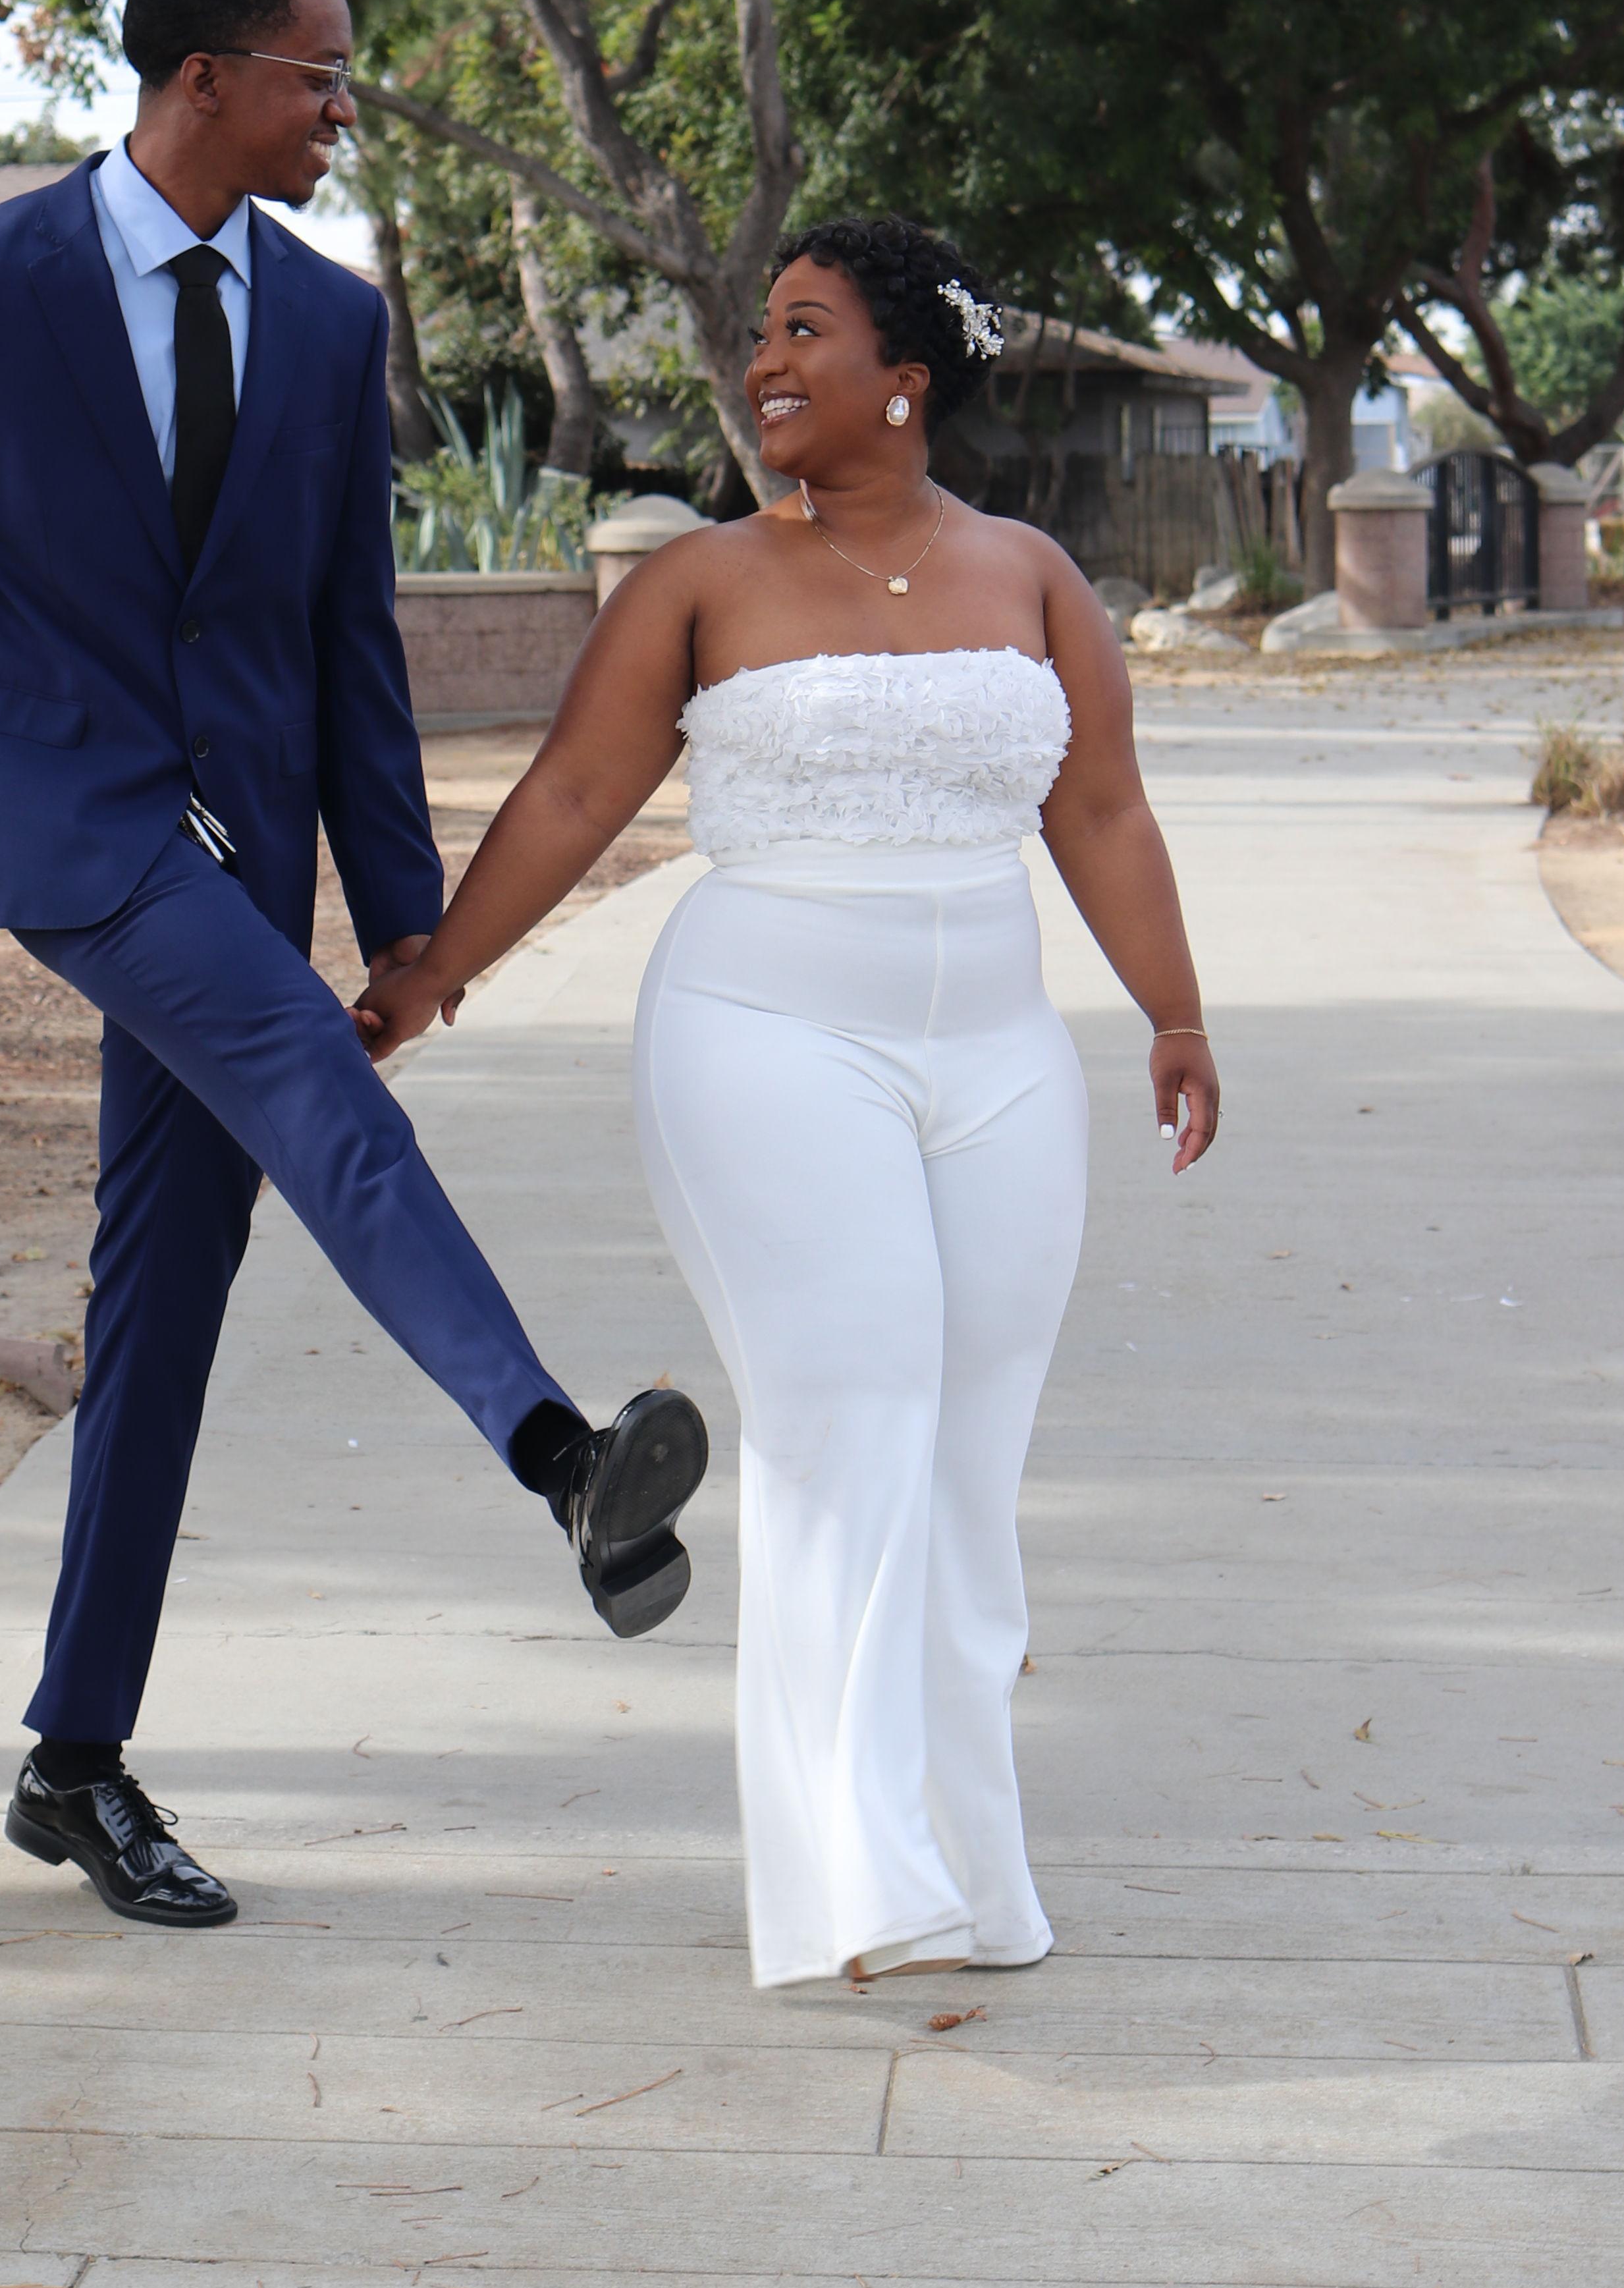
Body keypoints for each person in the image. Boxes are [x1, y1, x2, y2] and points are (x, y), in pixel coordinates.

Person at [0, 0, 708, 1931]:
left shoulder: (332, 324)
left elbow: (350, 643)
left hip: (242, 835)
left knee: (165, 1304)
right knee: (308, 1090)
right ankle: (554, 1451)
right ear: (202, 79)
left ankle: (75, 1764)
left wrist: (412, 926)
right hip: (68, 817)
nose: (344, 110)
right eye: (317, 76)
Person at [358, 218, 1218, 1988]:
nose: (764, 362)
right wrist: (437, 972)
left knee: (969, 1459)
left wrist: (1175, 1014)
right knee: (852, 1409)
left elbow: (1104, 810)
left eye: (805, 329)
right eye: (762, 331)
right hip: (764, 1036)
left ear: (905, 375)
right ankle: (853, 1873)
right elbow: (576, 790)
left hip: (1000, 1063)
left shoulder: (1033, 576)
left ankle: (970, 1868)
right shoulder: (701, 580)